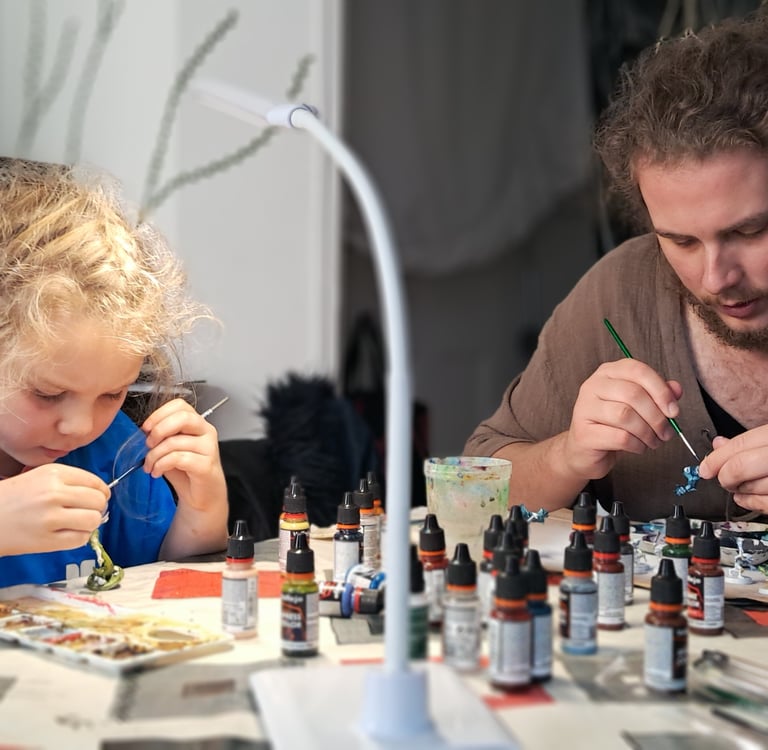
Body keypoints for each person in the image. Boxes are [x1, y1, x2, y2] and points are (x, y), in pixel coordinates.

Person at [464, 11, 768, 522]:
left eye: (750, 232)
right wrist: (568, 456)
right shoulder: (622, 293)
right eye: (681, 241)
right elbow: (475, 491)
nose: (716, 278)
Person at [0, 158, 229, 586]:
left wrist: (202, 511)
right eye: (48, 394)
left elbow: (163, 584)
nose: (81, 426)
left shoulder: (114, 450)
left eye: (113, 394)